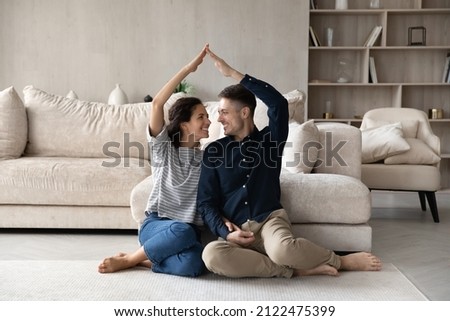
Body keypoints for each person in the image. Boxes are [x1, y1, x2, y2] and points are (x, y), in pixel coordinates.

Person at [197, 47, 382, 278]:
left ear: (245, 112)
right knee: (211, 255)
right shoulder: (214, 150)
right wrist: (225, 233)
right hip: (235, 230)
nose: (218, 118)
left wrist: (234, 73)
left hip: (269, 222)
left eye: (224, 112)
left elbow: (278, 104)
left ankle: (340, 260)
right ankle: (294, 270)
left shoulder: (270, 140)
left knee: (283, 249)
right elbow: (206, 203)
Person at [98, 44, 211, 277]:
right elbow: (158, 103)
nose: (208, 121)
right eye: (201, 117)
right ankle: (131, 258)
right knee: (184, 231)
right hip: (157, 226)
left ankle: (145, 260)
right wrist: (189, 69)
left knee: (195, 265)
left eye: (208, 116)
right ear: (184, 124)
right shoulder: (164, 150)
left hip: (186, 232)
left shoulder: (207, 159)